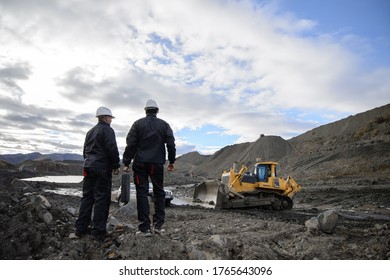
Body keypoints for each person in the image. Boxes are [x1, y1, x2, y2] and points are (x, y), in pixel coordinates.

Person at [123, 99, 176, 237]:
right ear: (157, 111)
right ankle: (158, 226)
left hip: (140, 163)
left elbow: (131, 144)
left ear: (145, 110)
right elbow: (170, 143)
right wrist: (171, 161)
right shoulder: (164, 125)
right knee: (159, 192)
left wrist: (126, 162)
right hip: (156, 163)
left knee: (142, 192)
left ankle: (144, 228)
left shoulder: (137, 124)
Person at [74, 106, 120, 240]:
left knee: (87, 197)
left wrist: (89, 162)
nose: (111, 120)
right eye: (110, 118)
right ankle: (98, 231)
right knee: (102, 199)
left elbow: (85, 151)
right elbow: (112, 148)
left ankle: (80, 229)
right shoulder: (108, 130)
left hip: (88, 166)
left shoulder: (90, 131)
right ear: (106, 117)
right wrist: (116, 165)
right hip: (102, 168)